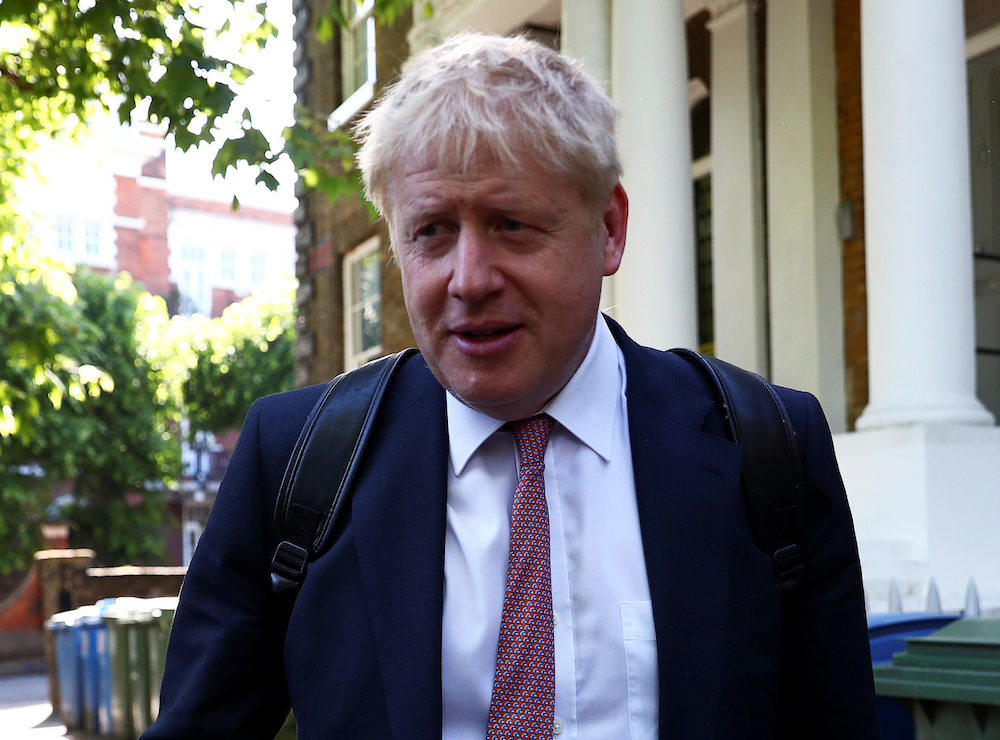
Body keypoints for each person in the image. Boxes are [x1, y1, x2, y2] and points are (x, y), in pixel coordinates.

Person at [143, 32, 879, 739]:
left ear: (610, 229)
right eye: (430, 231)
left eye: (513, 225)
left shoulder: (769, 449)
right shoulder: (295, 459)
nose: (468, 280)